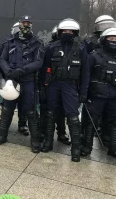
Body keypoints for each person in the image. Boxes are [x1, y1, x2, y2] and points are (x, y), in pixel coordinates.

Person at [80, 28, 116, 161]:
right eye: (111, 38)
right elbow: (85, 76)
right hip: (96, 96)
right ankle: (87, 147)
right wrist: (83, 94)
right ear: (104, 39)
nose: (114, 41)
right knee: (90, 122)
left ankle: (114, 148)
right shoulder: (94, 56)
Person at [0, 16, 45, 153]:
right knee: (7, 108)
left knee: (31, 110)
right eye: (23, 23)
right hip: (12, 80)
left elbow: (38, 62)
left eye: (28, 24)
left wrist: (22, 70)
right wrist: (8, 70)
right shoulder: (9, 42)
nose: (25, 26)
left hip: (28, 81)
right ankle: (1, 135)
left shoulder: (37, 43)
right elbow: (2, 59)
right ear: (19, 25)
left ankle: (35, 141)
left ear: (31, 25)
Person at [39, 19, 87, 162]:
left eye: (70, 31)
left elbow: (85, 72)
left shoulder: (81, 49)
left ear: (75, 33)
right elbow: (43, 69)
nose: (68, 33)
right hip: (53, 84)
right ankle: (48, 142)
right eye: (65, 31)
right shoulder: (51, 47)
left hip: (71, 85)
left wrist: (84, 92)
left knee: (72, 116)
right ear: (60, 32)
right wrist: (41, 87)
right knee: (50, 113)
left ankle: (76, 149)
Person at [82, 15, 116, 147]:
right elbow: (84, 65)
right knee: (90, 117)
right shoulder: (89, 42)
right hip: (95, 87)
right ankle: (85, 142)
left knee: (112, 118)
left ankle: (108, 140)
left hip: (114, 89)